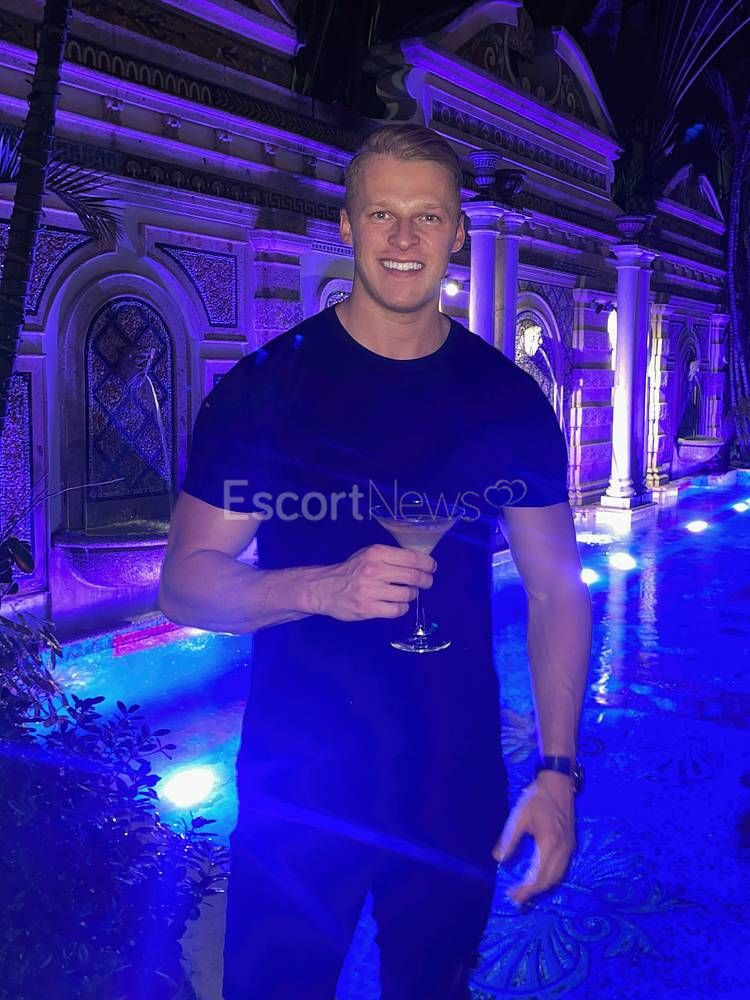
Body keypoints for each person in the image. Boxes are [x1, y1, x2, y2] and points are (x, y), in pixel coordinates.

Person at [159, 124, 592, 1000]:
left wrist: (557, 772)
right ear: (348, 225)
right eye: (382, 214)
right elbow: (184, 584)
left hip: (454, 782)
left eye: (427, 216)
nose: (404, 238)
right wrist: (322, 587)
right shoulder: (267, 389)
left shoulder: (506, 399)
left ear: (458, 232)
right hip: (301, 780)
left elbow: (555, 589)